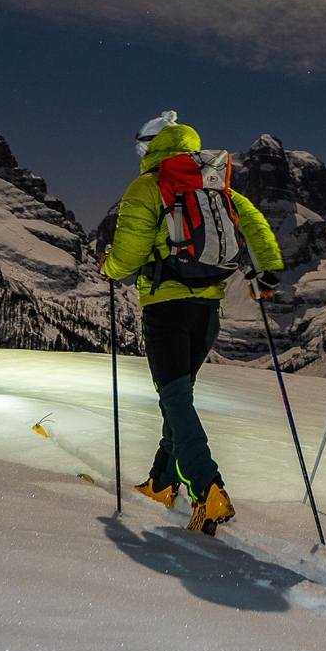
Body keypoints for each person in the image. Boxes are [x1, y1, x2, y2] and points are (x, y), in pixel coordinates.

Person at [101, 111, 286, 535]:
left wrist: (110, 268)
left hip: (166, 308)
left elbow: (128, 256)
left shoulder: (148, 186)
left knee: (175, 399)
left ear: (152, 148)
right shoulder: (216, 184)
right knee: (178, 398)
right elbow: (254, 225)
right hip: (207, 311)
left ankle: (207, 488)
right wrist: (268, 270)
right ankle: (162, 483)